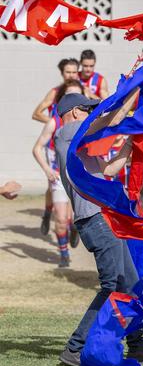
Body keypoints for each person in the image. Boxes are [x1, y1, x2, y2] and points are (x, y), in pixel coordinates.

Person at [54, 93, 143, 366]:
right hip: (94, 220)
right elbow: (110, 119)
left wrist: (131, 143)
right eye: (86, 110)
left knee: (129, 285)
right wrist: (133, 95)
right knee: (111, 286)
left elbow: (110, 169)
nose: (90, 115)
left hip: (106, 219)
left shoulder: (81, 148)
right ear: (72, 113)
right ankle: (74, 348)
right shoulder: (64, 134)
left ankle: (137, 346)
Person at [32, 80, 84, 267]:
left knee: (77, 218)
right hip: (58, 176)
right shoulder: (54, 122)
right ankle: (64, 255)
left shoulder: (88, 121)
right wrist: (47, 170)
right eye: (69, 96)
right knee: (61, 218)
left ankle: (75, 228)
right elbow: (37, 148)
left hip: (79, 177)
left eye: (78, 97)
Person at [32, 58, 80, 123]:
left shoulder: (84, 91)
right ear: (62, 73)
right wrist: (56, 124)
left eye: (74, 72)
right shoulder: (55, 92)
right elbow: (36, 114)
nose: (71, 75)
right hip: (59, 132)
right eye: (68, 72)